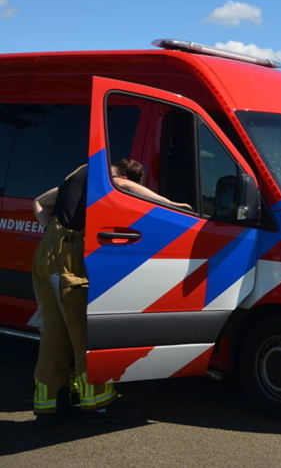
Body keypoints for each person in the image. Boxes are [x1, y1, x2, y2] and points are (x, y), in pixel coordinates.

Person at [30, 159, 191, 427]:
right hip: (69, 254)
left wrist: (49, 228)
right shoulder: (105, 174)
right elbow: (121, 183)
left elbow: (39, 201)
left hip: (46, 254)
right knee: (84, 333)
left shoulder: (76, 174)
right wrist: (172, 205)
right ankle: (99, 405)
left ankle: (50, 406)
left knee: (54, 336)